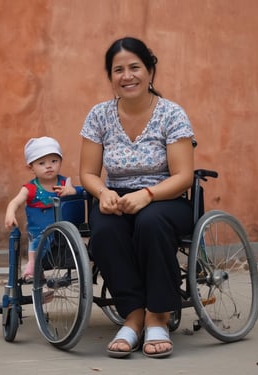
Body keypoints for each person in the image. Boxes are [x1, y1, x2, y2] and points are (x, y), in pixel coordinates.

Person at [79, 37, 195, 358]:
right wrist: (103, 193)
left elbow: (184, 175)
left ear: (150, 71)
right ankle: (133, 314)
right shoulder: (99, 115)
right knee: (103, 232)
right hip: (116, 196)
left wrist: (147, 194)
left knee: (151, 222)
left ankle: (158, 315)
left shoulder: (171, 114)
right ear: (110, 77)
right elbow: (87, 173)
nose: (127, 76)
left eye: (134, 67)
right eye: (118, 70)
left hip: (166, 198)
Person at [5, 136, 81, 282]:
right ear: (31, 167)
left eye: (54, 161)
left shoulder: (65, 183)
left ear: (60, 162)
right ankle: (34, 268)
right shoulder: (31, 188)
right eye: (41, 163)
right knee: (38, 242)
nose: (49, 166)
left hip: (64, 231)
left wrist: (72, 191)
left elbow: (80, 191)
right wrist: (10, 213)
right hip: (41, 231)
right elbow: (15, 202)